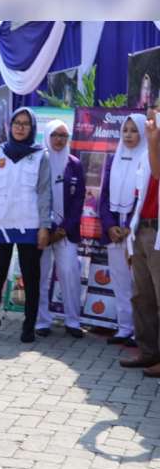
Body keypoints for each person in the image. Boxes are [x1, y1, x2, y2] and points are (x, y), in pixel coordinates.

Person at [0, 107, 52, 344]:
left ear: (32, 128)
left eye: (25, 124)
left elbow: (44, 193)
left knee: (31, 279)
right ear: (10, 126)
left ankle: (28, 327)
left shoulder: (41, 155)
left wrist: (44, 226)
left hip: (30, 225)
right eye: (16, 123)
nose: (20, 127)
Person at [99, 114, 146, 347]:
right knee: (119, 279)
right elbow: (104, 196)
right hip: (114, 231)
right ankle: (124, 327)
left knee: (140, 283)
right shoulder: (113, 158)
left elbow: (144, 196)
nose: (128, 135)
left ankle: (141, 333)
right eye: (125, 130)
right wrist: (110, 226)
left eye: (134, 130)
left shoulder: (147, 159)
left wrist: (129, 227)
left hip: (136, 230)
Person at [35, 120, 85, 339]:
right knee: (41, 276)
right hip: (44, 231)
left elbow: (79, 200)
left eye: (64, 136)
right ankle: (41, 321)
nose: (59, 139)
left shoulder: (75, 163)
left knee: (70, 273)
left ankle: (73, 321)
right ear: (47, 135)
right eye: (55, 135)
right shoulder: (38, 161)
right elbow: (33, 196)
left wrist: (64, 229)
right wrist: (48, 227)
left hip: (66, 232)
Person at [121, 111, 160, 374]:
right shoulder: (147, 153)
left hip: (158, 234)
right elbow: (139, 195)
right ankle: (148, 352)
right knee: (142, 297)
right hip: (143, 230)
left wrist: (153, 140)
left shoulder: (153, 149)